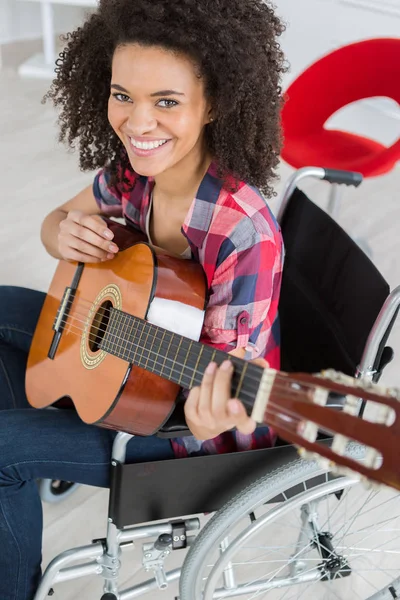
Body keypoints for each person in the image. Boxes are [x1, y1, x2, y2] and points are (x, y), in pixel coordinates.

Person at [0, 0, 286, 597]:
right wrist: (59, 232)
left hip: (181, 433)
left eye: (167, 101)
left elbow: (231, 390)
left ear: (216, 104)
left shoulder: (244, 232)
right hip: (128, 370)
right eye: (122, 94)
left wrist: (217, 410)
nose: (137, 122)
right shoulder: (134, 173)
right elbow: (61, 220)